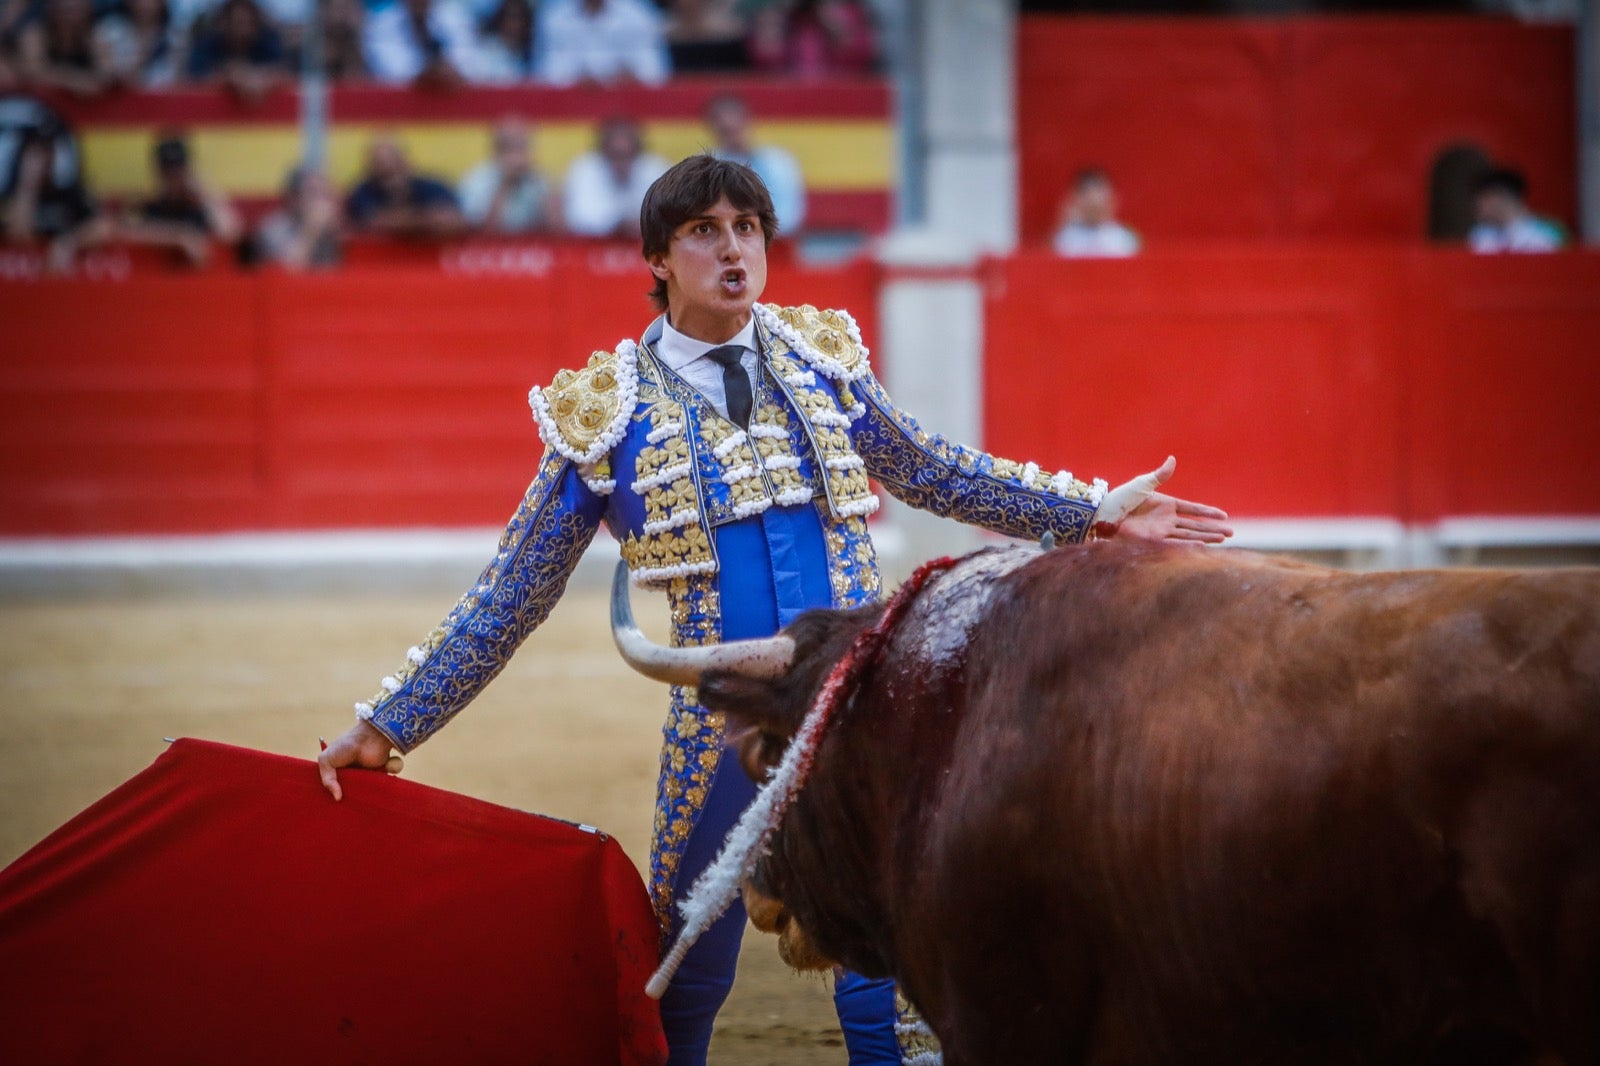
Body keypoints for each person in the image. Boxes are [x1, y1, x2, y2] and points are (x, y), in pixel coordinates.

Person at [318, 154, 1233, 1066]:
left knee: (883, 963)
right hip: (724, 717)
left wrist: (1089, 514)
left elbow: (934, 469)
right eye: (704, 230)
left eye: (748, 227)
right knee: (685, 962)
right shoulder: (606, 411)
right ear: (658, 259)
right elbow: (514, 590)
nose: (733, 249)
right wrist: (392, 723)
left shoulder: (819, 359)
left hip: (857, 708)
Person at [1, 116, 110, 271]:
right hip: (19, 281)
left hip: (61, 280)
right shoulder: (9, 193)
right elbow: (18, 235)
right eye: (35, 152)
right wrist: (28, 184)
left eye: (48, 151)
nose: (43, 159)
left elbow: (103, 225)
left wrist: (68, 242)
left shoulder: (69, 194)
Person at [118, 132, 242, 267]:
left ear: (188, 170)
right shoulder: (147, 206)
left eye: (178, 169)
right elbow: (121, 233)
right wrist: (178, 237)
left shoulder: (201, 207)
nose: (173, 176)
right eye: (167, 170)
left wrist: (205, 192)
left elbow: (231, 233)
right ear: (157, 171)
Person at [705, 92, 804, 235]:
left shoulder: (779, 161)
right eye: (725, 130)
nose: (732, 135)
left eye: (734, 128)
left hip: (777, 243)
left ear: (748, 121)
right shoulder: (706, 169)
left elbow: (790, 215)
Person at [561, 114, 666, 239]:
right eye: (616, 155)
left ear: (638, 152)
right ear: (603, 152)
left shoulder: (655, 169)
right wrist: (617, 223)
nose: (621, 163)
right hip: (596, 248)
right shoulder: (585, 169)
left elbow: (668, 217)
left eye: (627, 155)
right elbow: (577, 219)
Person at [344, 133, 467, 239]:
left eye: (395, 162)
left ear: (406, 161)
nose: (389, 168)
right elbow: (377, 222)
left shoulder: (433, 187)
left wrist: (407, 221)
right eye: (381, 166)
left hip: (431, 259)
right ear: (370, 167)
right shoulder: (362, 192)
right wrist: (426, 220)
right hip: (380, 261)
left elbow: (453, 221)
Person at [457, 116, 556, 234]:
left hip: (531, 247)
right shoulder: (476, 179)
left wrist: (540, 186)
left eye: (521, 146)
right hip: (491, 249)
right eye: (508, 147)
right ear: (495, 150)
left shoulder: (539, 178)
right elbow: (479, 233)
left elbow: (557, 229)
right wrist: (506, 184)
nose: (515, 155)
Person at [536, 0, 668, 87]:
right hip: (573, 106)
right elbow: (547, 74)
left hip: (628, 104)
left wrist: (630, 76)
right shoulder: (555, 18)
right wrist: (577, 79)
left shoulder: (639, 15)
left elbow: (655, 73)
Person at [184, 0, 291, 101]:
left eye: (248, 23)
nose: (243, 31)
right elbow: (193, 77)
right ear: (225, 24)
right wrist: (230, 77)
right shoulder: (207, 45)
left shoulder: (267, 42)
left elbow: (285, 71)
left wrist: (262, 79)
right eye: (237, 23)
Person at [14, 0, 119, 96]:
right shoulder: (36, 33)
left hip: (82, 104)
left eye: (77, 10)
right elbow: (32, 72)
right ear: (54, 11)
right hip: (41, 100)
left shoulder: (93, 37)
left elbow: (107, 74)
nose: (71, 16)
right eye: (66, 9)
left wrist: (91, 82)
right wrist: (72, 80)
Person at [362, 0, 479, 87]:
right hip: (399, 112)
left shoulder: (455, 18)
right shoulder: (379, 25)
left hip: (454, 105)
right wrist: (431, 74)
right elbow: (394, 75)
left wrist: (447, 71)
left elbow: (468, 66)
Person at [748, 0, 876, 79]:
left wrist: (834, 23)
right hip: (789, 98)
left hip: (838, 97)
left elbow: (862, 52)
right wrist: (777, 19)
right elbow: (764, 60)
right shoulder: (781, 16)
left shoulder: (849, 12)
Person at [252, 163, 341, 269]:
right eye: (314, 193)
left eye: (325, 193)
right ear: (293, 199)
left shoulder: (328, 230)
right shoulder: (271, 230)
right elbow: (285, 271)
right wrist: (311, 229)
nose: (321, 201)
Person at [1468, 167, 1565, 254]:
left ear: (1500, 197)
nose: (1476, 206)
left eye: (1484, 199)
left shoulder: (1545, 235)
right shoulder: (1481, 235)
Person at [1052, 167, 1140, 258]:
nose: (1094, 201)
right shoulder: (1065, 239)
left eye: (1099, 192)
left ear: (1113, 199)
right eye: (1087, 194)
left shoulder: (1125, 239)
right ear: (1076, 199)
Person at [471, 0, 536, 82]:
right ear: (501, 21)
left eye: (521, 19)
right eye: (512, 18)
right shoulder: (486, 55)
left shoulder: (533, 54)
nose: (516, 25)